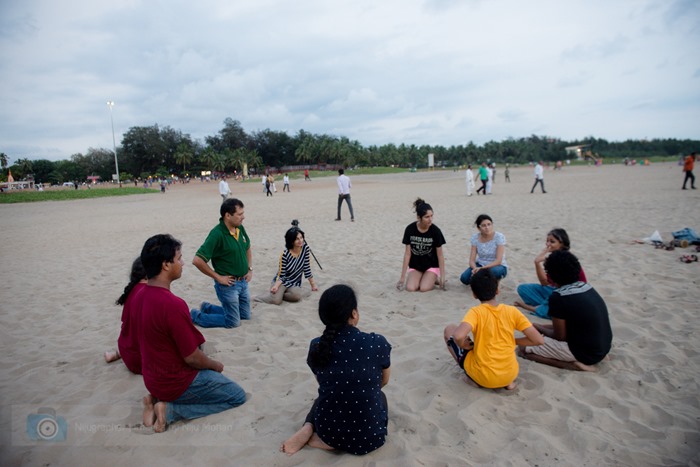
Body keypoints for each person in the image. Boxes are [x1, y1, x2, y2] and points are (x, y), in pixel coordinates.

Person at [136, 234, 247, 433]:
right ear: (166, 265)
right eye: (179, 258)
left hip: (153, 379)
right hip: (175, 382)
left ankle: (155, 398)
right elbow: (192, 358)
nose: (183, 263)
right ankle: (170, 411)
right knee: (236, 395)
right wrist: (215, 366)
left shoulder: (140, 295)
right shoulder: (172, 304)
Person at [280, 284, 391, 456]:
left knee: (327, 395)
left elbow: (324, 382)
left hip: (330, 433)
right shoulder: (377, 342)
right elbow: (383, 381)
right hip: (372, 438)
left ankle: (309, 426)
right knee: (380, 396)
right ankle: (322, 433)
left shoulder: (317, 346)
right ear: (354, 313)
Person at [443, 269, 543, 390]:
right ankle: (508, 384)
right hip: (510, 375)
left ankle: (472, 378)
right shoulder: (512, 311)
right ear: (497, 290)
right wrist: (513, 340)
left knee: (449, 329)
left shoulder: (476, 312)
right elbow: (538, 340)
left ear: (474, 294)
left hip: (484, 377)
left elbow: (458, 335)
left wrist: (462, 344)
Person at [520, 250, 612, 371]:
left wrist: (538, 328)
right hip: (602, 348)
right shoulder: (586, 287)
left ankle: (571, 365)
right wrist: (538, 326)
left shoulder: (559, 297)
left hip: (584, 353)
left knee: (523, 349)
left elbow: (559, 336)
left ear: (551, 275)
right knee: (540, 329)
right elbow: (570, 326)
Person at [190, 198, 253, 328]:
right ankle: (196, 315)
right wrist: (218, 277)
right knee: (233, 322)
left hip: (243, 282)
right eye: (239, 214)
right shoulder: (217, 234)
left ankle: (208, 308)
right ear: (227, 215)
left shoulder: (239, 228)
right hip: (228, 285)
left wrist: (249, 269)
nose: (243, 217)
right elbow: (197, 260)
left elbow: (247, 247)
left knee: (245, 315)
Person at [514, 228, 587, 319]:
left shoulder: (565, 259)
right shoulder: (553, 258)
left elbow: (552, 284)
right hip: (556, 289)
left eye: (552, 242)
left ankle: (539, 309)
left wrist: (538, 262)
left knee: (554, 300)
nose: (548, 244)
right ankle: (546, 307)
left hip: (570, 293)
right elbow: (545, 283)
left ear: (562, 244)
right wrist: (537, 263)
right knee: (523, 288)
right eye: (547, 241)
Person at [104, 258, 147, 373]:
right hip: (140, 362)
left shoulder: (131, 290)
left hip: (125, 349)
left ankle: (117, 354)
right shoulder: (148, 293)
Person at [255, 227, 318, 304]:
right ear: (291, 241)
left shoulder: (305, 249)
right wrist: (276, 286)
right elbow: (282, 274)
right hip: (282, 281)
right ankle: (261, 297)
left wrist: (313, 285)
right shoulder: (285, 254)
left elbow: (307, 268)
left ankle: (279, 295)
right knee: (276, 301)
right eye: (297, 239)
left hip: (294, 282)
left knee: (296, 297)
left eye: (301, 238)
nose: (300, 241)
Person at [397, 198, 446, 292]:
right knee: (411, 288)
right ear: (419, 218)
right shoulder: (410, 229)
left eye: (432, 216)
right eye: (427, 217)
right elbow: (407, 254)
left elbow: (440, 255)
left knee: (424, 288)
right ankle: (425, 277)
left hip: (431, 265)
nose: (430, 219)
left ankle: (434, 278)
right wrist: (402, 277)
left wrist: (442, 277)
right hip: (416, 266)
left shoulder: (435, 231)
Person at [459, 214, 508, 285]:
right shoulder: (475, 238)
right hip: (480, 264)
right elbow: (472, 260)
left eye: (489, 224)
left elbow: (498, 261)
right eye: (484, 225)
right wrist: (475, 268)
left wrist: (482, 269)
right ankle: (483, 279)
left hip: (497, 266)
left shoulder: (499, 237)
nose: (487, 227)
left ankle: (490, 280)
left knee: (493, 272)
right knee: (464, 278)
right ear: (479, 228)